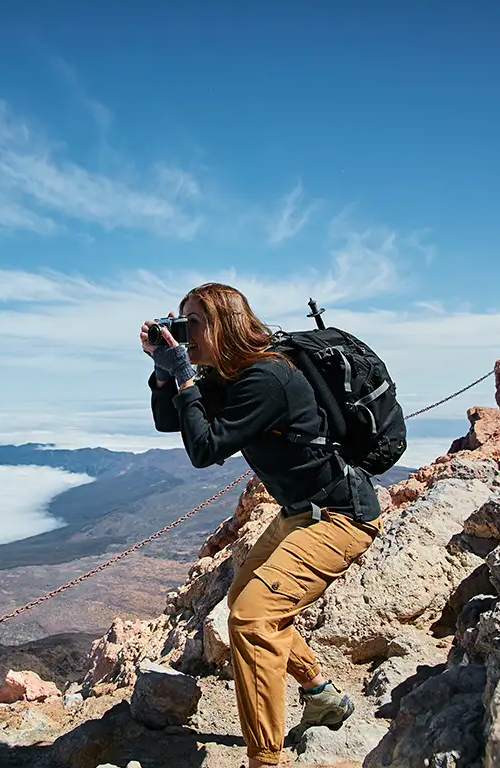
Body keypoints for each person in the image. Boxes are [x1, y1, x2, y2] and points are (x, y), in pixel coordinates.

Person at [141, 283, 382, 768]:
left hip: (340, 515)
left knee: (252, 618)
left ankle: (265, 761)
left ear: (225, 324)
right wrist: (163, 372)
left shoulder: (266, 377)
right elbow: (173, 424)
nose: (186, 336)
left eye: (194, 326)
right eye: (180, 325)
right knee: (241, 600)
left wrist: (185, 376)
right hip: (300, 511)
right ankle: (321, 693)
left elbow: (204, 449)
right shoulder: (227, 374)